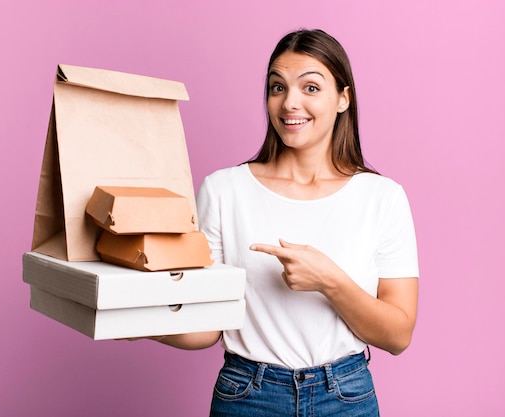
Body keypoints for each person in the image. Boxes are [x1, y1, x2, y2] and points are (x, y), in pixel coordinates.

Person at [149, 28, 419, 416]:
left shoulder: (383, 198)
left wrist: (329, 281)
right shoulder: (224, 190)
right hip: (248, 395)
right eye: (277, 87)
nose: (290, 103)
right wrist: (132, 323)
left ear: (343, 99)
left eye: (310, 88)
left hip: (345, 397)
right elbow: (207, 328)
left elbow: (397, 334)